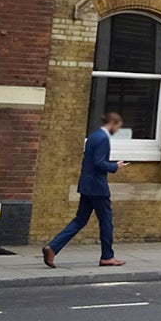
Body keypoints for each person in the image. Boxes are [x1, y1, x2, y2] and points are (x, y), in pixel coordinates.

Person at [43, 111, 128, 268]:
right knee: (106, 221)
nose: (117, 131)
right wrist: (115, 166)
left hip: (86, 185)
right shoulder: (103, 139)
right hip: (98, 187)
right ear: (113, 124)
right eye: (118, 127)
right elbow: (99, 163)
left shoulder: (93, 137)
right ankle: (107, 257)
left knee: (80, 219)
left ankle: (53, 247)